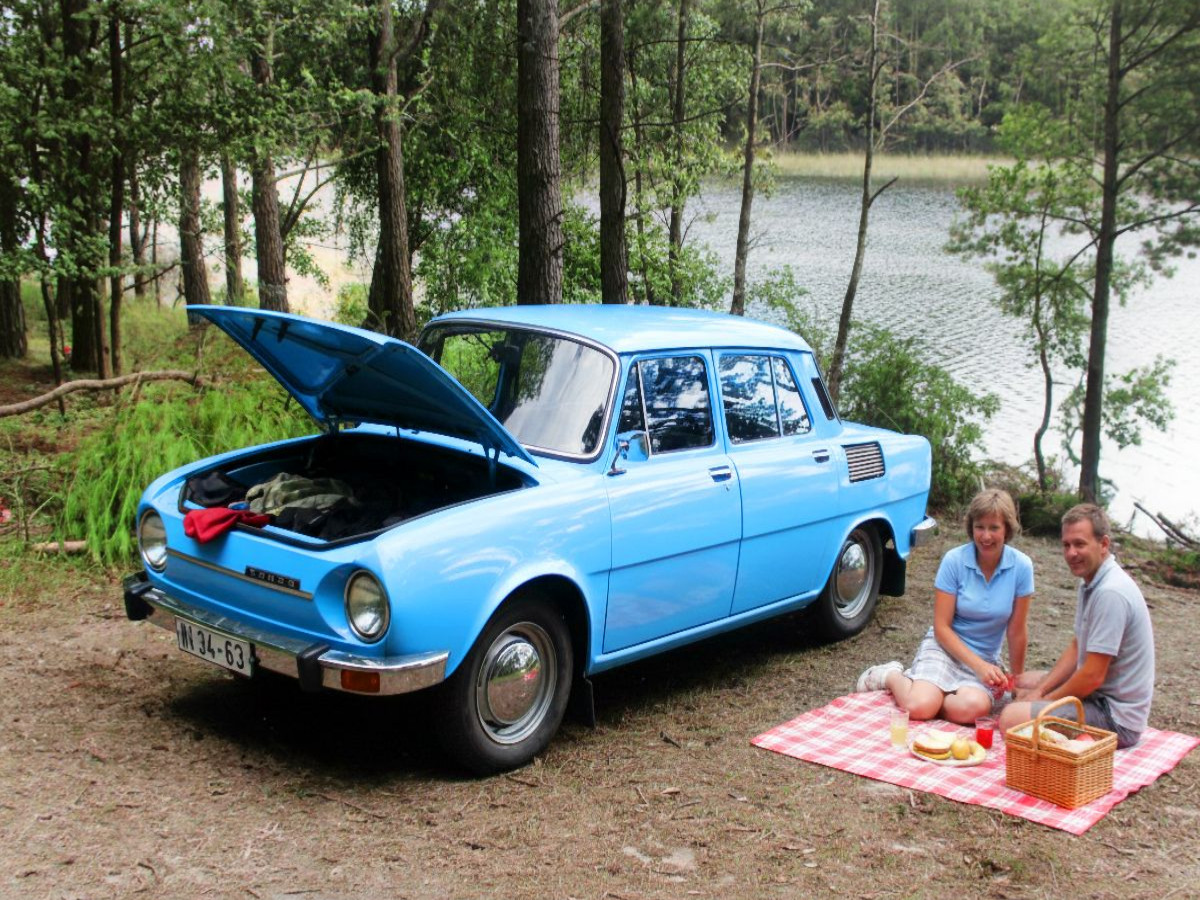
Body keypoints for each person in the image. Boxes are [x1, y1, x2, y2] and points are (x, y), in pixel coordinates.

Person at [855, 488, 1034, 725]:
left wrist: (1017, 682)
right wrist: (978, 667)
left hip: (985, 657)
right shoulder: (954, 560)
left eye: (994, 528)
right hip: (945, 648)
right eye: (980, 527)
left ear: (1007, 529)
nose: (986, 536)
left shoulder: (1021, 567)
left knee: (972, 711)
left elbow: (1017, 631)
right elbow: (942, 628)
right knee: (918, 708)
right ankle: (891, 676)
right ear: (971, 527)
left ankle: (934, 695)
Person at [998, 504, 1154, 749]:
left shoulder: (1110, 593)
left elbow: (1092, 676)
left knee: (1011, 719)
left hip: (1115, 718)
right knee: (1025, 681)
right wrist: (1040, 690)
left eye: (1080, 544)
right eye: (1066, 545)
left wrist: (1046, 702)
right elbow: (1077, 645)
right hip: (1098, 696)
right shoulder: (1091, 582)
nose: (1071, 553)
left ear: (1103, 544)